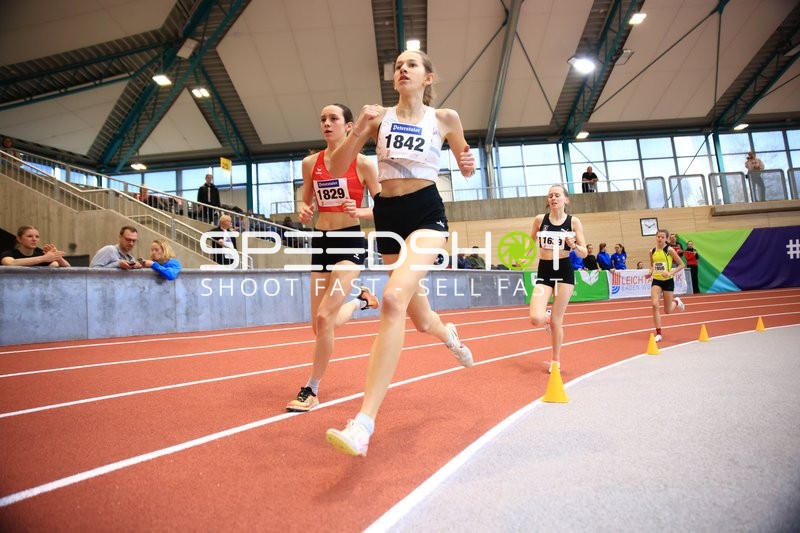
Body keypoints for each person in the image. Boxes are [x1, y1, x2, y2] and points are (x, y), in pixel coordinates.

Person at [324, 50, 475, 457]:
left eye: (411, 65)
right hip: (388, 216)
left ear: (429, 77)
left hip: (426, 211)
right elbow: (339, 168)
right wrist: (358, 132)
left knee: (391, 298)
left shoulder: (445, 118)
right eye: (397, 66)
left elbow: (463, 159)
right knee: (420, 317)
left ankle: (363, 424)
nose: (402, 69)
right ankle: (449, 335)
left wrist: (467, 162)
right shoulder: (378, 119)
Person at [285, 103, 381, 413]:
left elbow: (383, 207)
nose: (327, 123)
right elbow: (307, 202)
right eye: (323, 119)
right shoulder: (310, 163)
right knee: (319, 325)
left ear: (349, 126)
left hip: (350, 244)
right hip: (322, 243)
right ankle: (362, 302)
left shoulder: (364, 163)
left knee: (326, 317)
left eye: (333, 119)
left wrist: (361, 211)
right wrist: (303, 210)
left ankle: (311, 389)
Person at [529, 184, 587, 374]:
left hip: (564, 271)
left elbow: (584, 253)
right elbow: (531, 242)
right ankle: (545, 316)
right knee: (535, 319)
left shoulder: (573, 222)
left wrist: (574, 245)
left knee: (557, 321)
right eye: (550, 195)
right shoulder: (540, 220)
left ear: (566, 200)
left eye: (557, 195)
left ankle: (555, 360)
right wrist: (525, 255)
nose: (553, 198)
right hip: (544, 271)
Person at [644, 229, 686, 342]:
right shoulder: (652, 251)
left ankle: (676, 301)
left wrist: (670, 273)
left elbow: (682, 265)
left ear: (666, 239)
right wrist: (650, 272)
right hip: (656, 281)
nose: (660, 239)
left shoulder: (669, 250)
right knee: (654, 304)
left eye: (662, 237)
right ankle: (658, 333)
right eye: (658, 236)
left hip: (668, 281)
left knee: (667, 311)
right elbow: (652, 266)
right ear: (656, 237)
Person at [1, 225, 70, 267]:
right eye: (29, 236)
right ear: (19, 239)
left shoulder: (42, 255)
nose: (34, 239)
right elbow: (10, 263)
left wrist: (58, 257)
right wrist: (43, 258)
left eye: (37, 237)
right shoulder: (8, 254)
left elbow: (68, 268)